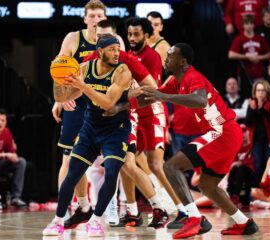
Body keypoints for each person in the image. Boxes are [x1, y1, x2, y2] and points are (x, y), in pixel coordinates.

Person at [142, 43, 259, 238]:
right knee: (207, 185)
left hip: (222, 131)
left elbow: (200, 100)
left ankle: (195, 218)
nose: (166, 59)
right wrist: (119, 107)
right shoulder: (175, 80)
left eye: (170, 55)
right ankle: (244, 223)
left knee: (171, 167)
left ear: (183, 62)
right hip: (225, 133)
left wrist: (163, 96)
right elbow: (151, 97)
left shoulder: (193, 77)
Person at [82, 19, 170, 228]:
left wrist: (122, 100)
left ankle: (160, 207)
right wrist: (61, 99)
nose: (103, 40)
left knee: (127, 164)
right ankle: (131, 211)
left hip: (126, 117)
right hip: (103, 121)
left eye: (108, 37)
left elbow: (151, 88)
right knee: (118, 167)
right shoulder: (91, 59)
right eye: (100, 37)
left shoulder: (127, 61)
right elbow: (77, 83)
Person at [43, 34, 132, 237]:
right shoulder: (84, 68)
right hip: (91, 126)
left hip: (115, 129)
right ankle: (58, 220)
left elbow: (109, 103)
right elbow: (63, 96)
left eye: (118, 49)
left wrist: (82, 86)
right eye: (112, 49)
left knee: (111, 171)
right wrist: (59, 79)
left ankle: (96, 220)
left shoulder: (123, 72)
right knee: (73, 173)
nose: (117, 53)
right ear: (100, 52)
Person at [123, 17, 185, 227]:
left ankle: (183, 210)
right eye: (129, 34)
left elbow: (151, 93)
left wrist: (120, 104)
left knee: (156, 166)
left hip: (153, 113)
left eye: (136, 34)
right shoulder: (129, 55)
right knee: (125, 162)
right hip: (136, 115)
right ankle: (132, 212)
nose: (132, 38)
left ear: (147, 35)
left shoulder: (152, 57)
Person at [50, 0, 107, 228]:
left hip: (104, 104)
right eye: (91, 16)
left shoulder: (112, 40)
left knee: (123, 160)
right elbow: (59, 67)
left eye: (99, 16)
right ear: (85, 19)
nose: (95, 20)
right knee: (69, 158)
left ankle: (129, 208)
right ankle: (68, 210)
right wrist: (60, 98)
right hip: (78, 103)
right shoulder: (74, 38)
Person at [0, 109, 27, 209]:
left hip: (0, 165)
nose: (0, 123)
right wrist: (5, 155)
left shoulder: (6, 132)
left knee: (21, 162)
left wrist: (13, 156)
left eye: (3, 121)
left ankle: (15, 197)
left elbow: (11, 151)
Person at [228, 15, 270, 81]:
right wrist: (248, 57)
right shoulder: (239, 39)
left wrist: (258, 57)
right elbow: (231, 54)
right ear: (243, 25)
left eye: (251, 23)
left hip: (259, 73)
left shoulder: (260, 38)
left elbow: (268, 54)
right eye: (247, 23)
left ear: (254, 25)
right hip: (244, 73)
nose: (249, 26)